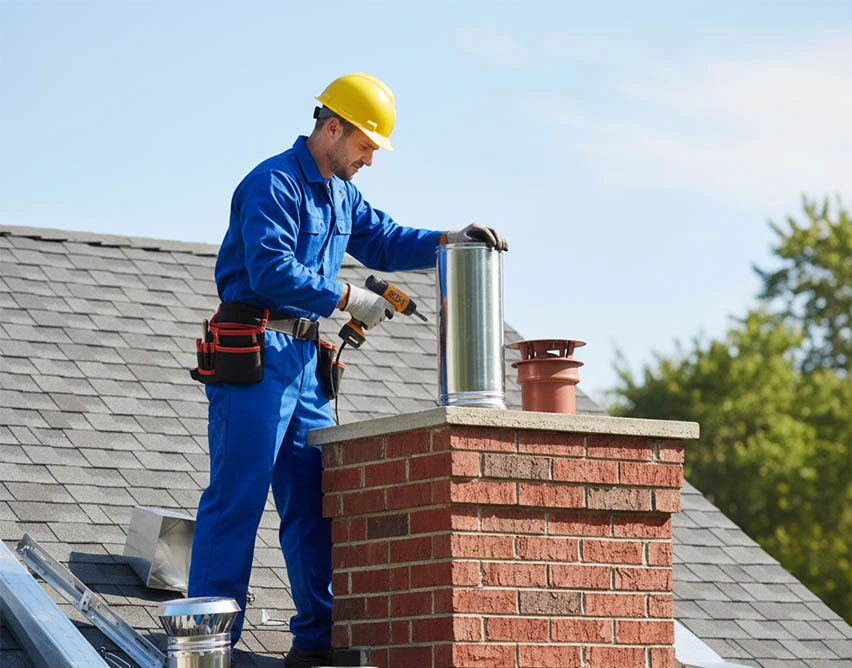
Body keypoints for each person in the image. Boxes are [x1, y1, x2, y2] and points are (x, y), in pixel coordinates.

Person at [187, 73, 507, 668]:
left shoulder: (340, 192)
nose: (369, 160)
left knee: (313, 499)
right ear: (331, 128)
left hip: (305, 364)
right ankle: (207, 644)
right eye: (365, 146)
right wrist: (345, 298)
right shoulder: (273, 184)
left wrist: (448, 239)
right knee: (238, 498)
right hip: (257, 357)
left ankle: (316, 641)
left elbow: (383, 240)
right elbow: (269, 272)